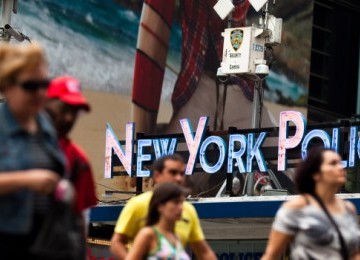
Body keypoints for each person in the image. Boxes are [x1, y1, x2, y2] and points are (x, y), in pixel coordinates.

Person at [0, 43, 65, 259]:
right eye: (30, 86)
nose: (39, 93)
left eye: (44, 84)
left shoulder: (44, 125)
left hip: (43, 241)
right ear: (7, 86)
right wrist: (26, 180)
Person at [110, 154, 216, 260]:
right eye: (173, 172)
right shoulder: (137, 204)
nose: (179, 178)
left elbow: (204, 252)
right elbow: (117, 243)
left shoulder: (188, 210)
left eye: (182, 174)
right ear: (157, 176)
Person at [261, 147, 360, 260]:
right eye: (333, 163)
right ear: (315, 174)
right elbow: (271, 256)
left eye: (340, 162)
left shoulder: (348, 209)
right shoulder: (296, 208)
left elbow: (354, 254)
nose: (341, 167)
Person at [45, 76, 98, 235]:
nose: (69, 118)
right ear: (44, 103)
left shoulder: (78, 159)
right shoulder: (12, 142)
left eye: (75, 112)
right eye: (64, 108)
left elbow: (81, 217)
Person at [126, 182, 191, 260]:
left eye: (182, 203)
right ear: (160, 206)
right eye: (176, 202)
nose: (181, 208)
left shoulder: (177, 237)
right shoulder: (147, 234)